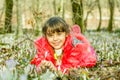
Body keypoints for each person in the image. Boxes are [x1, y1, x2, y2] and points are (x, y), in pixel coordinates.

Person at [31, 16, 97, 74]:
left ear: (66, 34)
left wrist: (56, 70)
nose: (55, 39)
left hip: (85, 52)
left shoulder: (76, 47)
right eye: (50, 35)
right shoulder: (43, 46)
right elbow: (39, 59)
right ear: (45, 36)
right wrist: (41, 66)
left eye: (59, 34)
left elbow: (71, 66)